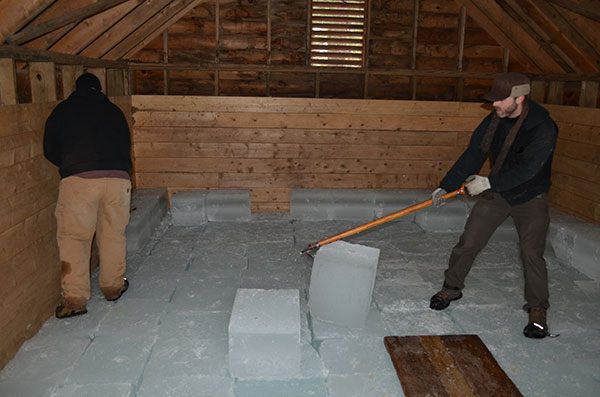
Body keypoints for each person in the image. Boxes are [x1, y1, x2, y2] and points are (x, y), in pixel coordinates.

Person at [428, 72, 558, 339]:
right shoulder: (494, 121)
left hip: (530, 196)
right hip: (497, 193)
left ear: (519, 98)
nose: (494, 105)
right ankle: (451, 287)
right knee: (469, 242)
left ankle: (537, 310)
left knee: (531, 253)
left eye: (500, 100)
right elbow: (474, 153)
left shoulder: (543, 127)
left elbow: (529, 170)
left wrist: (488, 183)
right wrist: (447, 185)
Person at [44, 73, 132, 319]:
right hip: (118, 178)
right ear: (99, 89)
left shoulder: (63, 111)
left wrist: (71, 165)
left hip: (80, 180)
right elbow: (125, 145)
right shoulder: (114, 111)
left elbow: (49, 148)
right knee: (113, 234)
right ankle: (113, 287)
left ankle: (75, 300)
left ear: (76, 89)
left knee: (75, 238)